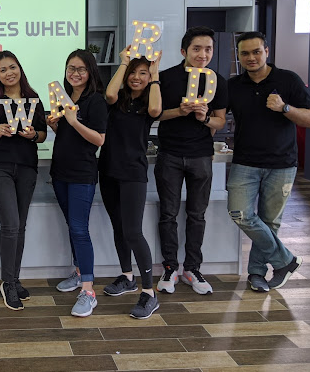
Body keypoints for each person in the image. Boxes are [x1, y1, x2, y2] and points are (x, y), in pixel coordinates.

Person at [227, 31, 310, 292]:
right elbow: (219, 116)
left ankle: (256, 273)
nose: (251, 57)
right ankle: (286, 261)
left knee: (269, 222)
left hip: (282, 164)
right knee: (240, 213)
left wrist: (285, 108)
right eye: (245, 53)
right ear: (239, 56)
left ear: (266, 51)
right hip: (245, 162)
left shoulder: (288, 80)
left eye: (256, 51)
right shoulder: (233, 86)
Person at [155, 26, 227, 295]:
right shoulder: (165, 78)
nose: (203, 54)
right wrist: (179, 111)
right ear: (184, 51)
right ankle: (170, 267)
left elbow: (220, 120)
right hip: (170, 154)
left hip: (201, 155)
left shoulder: (217, 80)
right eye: (197, 48)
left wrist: (205, 118)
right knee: (168, 214)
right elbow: (154, 114)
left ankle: (193, 268)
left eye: (208, 49)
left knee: (197, 215)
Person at [0, 50, 47, 311]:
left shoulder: (34, 99)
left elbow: (42, 134)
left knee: (20, 226)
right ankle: (7, 282)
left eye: (12, 67)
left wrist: (32, 135)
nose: (9, 73)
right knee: (11, 225)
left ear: (20, 69)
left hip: (27, 167)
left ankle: (15, 279)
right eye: (3, 69)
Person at [99, 48, 163, 319]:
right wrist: (124, 63)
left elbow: (156, 110)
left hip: (133, 173)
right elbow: (109, 94)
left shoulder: (149, 103)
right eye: (133, 73)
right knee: (119, 227)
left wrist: (155, 73)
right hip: (108, 170)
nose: (137, 77)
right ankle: (127, 276)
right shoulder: (118, 99)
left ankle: (149, 292)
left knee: (133, 232)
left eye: (143, 73)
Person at [49, 49, 107, 317]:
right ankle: (79, 271)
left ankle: (88, 291)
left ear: (90, 71)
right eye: (71, 68)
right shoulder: (64, 97)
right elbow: (67, 135)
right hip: (60, 172)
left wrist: (73, 121)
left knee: (79, 230)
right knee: (72, 228)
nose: (75, 73)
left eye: (81, 69)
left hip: (82, 174)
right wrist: (55, 124)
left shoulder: (95, 100)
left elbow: (99, 139)